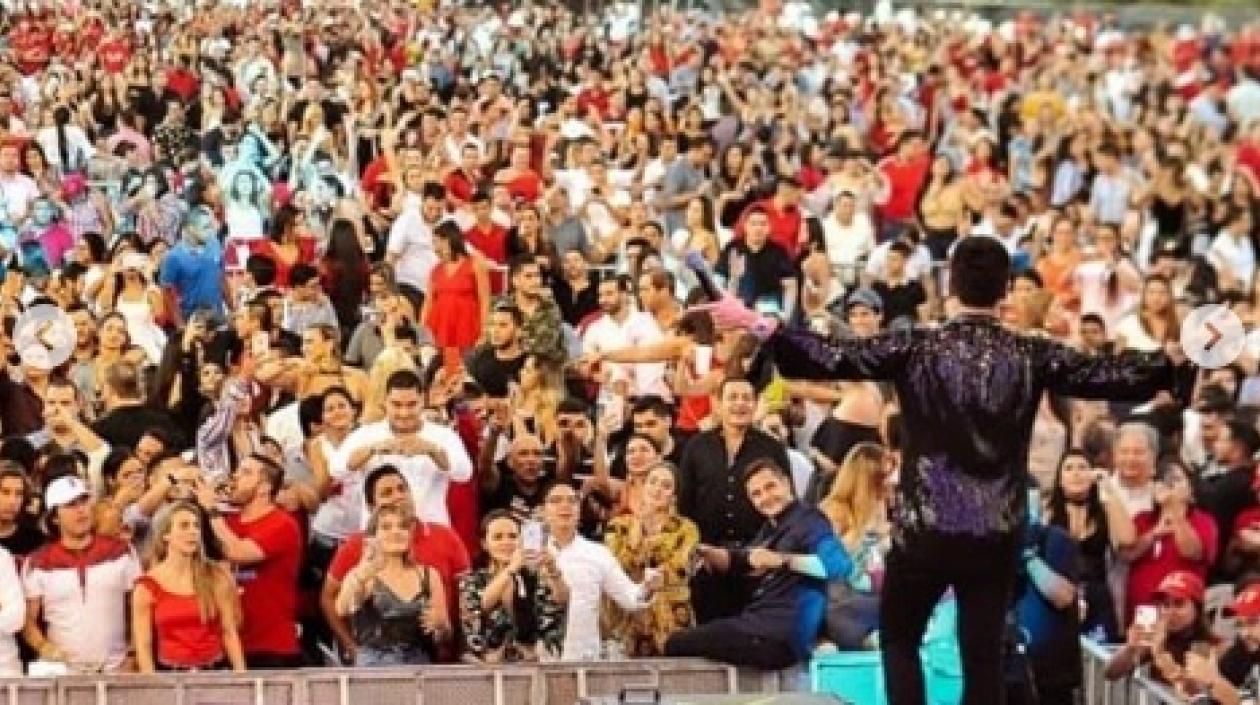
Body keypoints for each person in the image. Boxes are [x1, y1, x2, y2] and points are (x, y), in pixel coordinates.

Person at [700, 236, 1189, 704]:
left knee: (899, 640)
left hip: (925, 528)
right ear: (1004, 292)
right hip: (997, 531)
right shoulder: (1031, 353)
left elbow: (835, 357)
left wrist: (759, 324)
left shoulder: (918, 346)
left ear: (950, 287)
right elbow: (1106, 374)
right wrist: (1175, 361)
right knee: (983, 658)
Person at [665, 458, 849, 668]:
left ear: (787, 483)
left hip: (777, 635)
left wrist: (782, 560)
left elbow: (838, 566)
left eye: (770, 487)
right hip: (756, 623)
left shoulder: (809, 519)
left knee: (677, 643)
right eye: (757, 494)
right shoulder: (770, 527)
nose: (765, 497)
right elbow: (744, 559)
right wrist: (709, 553)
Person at [193, 453, 304, 668]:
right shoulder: (228, 523)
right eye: (237, 471)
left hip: (271, 646)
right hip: (229, 642)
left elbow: (237, 552)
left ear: (264, 487)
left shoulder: (282, 524)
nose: (235, 477)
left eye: (245, 473)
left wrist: (211, 509)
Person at [22, 474, 140, 673]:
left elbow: (137, 608)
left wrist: (133, 654)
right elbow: (28, 620)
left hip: (117, 669)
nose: (81, 510)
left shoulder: (122, 551)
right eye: (70, 505)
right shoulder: (38, 562)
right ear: (54, 517)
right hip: (63, 673)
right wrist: (44, 647)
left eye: (84, 501)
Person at [132, 501, 246, 672]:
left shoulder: (215, 576)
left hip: (214, 672)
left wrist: (241, 677)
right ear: (166, 535)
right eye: (184, 526)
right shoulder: (147, 586)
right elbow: (143, 645)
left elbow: (229, 632)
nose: (193, 532)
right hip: (170, 674)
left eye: (195, 526)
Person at [335, 503, 450, 666]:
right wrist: (361, 575)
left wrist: (441, 626)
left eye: (402, 526)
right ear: (373, 536)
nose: (396, 532)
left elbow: (444, 635)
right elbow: (342, 608)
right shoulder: (364, 574)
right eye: (386, 527)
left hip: (419, 667)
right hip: (374, 669)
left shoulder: (429, 575)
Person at [458, 510, 567, 663]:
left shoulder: (535, 578)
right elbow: (482, 604)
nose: (506, 542)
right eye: (498, 537)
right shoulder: (472, 580)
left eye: (513, 536)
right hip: (487, 670)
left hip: (531, 667)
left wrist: (552, 568)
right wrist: (513, 567)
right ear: (484, 544)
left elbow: (560, 603)